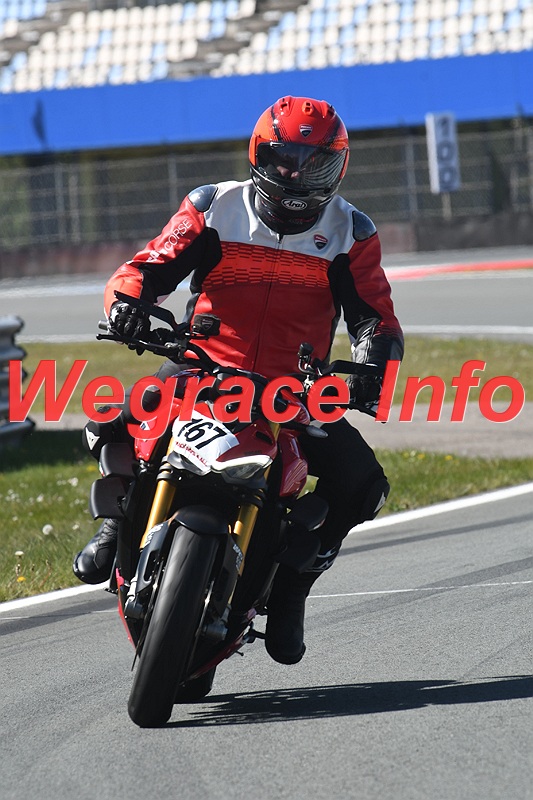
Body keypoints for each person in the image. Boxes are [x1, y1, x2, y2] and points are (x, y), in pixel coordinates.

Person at [73, 96, 404, 665]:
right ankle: (114, 527)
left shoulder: (352, 232)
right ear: (258, 155)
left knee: (363, 484)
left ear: (338, 167)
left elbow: (374, 316)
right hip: (200, 364)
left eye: (313, 164)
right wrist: (126, 303)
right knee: (116, 420)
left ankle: (291, 588)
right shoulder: (213, 206)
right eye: (283, 160)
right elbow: (147, 267)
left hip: (293, 390)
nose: (294, 176)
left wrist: (374, 366)